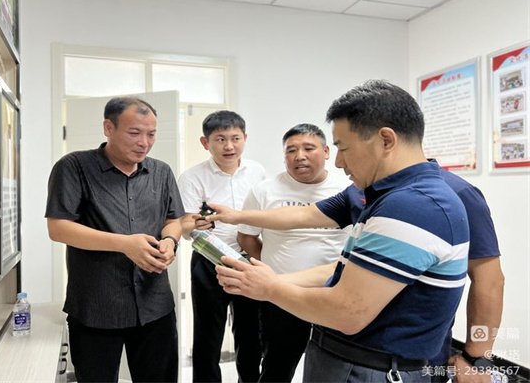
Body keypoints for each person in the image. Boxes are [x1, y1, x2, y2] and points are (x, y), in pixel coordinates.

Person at [213, 80, 470, 383]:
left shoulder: (412, 206)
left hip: (368, 369)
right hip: (350, 362)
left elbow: (347, 312)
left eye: (343, 148)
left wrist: (270, 288)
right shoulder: (385, 195)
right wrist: (267, 273)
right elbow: (324, 240)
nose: (338, 161)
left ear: (386, 140)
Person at [45, 96, 184, 383]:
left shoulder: (161, 172)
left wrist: (170, 241)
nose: (144, 142)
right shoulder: (74, 166)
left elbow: (173, 220)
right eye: (134, 133)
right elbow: (58, 228)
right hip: (97, 305)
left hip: (154, 304)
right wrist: (124, 244)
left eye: (151, 134)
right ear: (109, 128)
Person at [237, 123, 350, 382]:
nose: (299, 156)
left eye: (309, 148)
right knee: (278, 364)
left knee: (333, 364)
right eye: (291, 150)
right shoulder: (265, 190)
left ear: (326, 152)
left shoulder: (347, 190)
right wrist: (271, 270)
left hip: (333, 291)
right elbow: (246, 236)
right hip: (281, 293)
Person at [178, 110, 265, 383]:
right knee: (208, 334)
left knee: (251, 333)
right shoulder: (192, 177)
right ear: (205, 143)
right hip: (209, 261)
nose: (229, 146)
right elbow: (184, 226)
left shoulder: (257, 171)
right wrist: (195, 224)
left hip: (249, 259)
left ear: (245, 138)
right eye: (220, 139)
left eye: (235, 138)